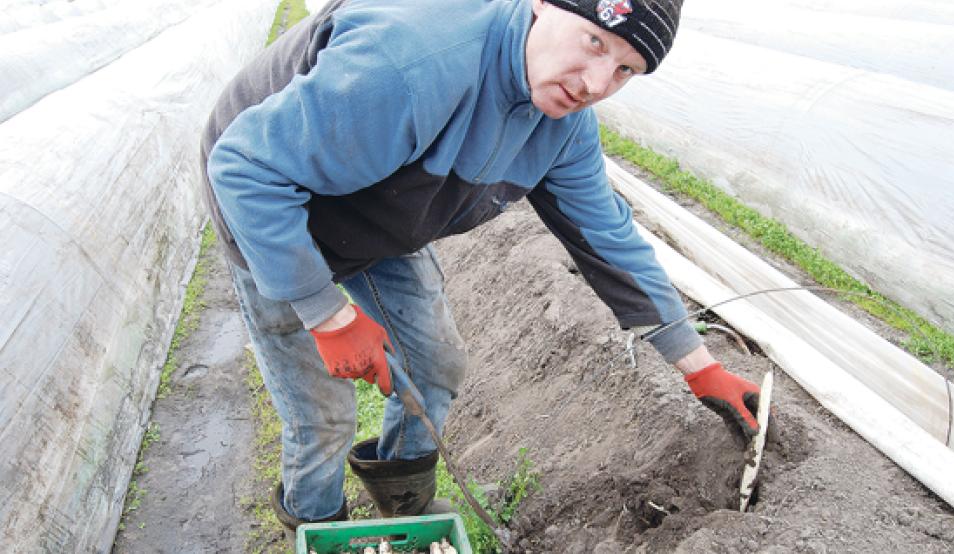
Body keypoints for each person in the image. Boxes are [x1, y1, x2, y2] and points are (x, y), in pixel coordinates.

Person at [200, 0, 761, 535]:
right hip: (269, 208)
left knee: (435, 364)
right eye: (594, 42)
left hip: (380, 211)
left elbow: (608, 237)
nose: (595, 83)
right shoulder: (412, 62)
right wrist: (327, 316)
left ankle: (403, 502)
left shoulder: (561, 126)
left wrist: (697, 363)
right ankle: (317, 523)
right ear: (544, 3)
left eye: (624, 70)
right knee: (323, 414)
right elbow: (245, 168)